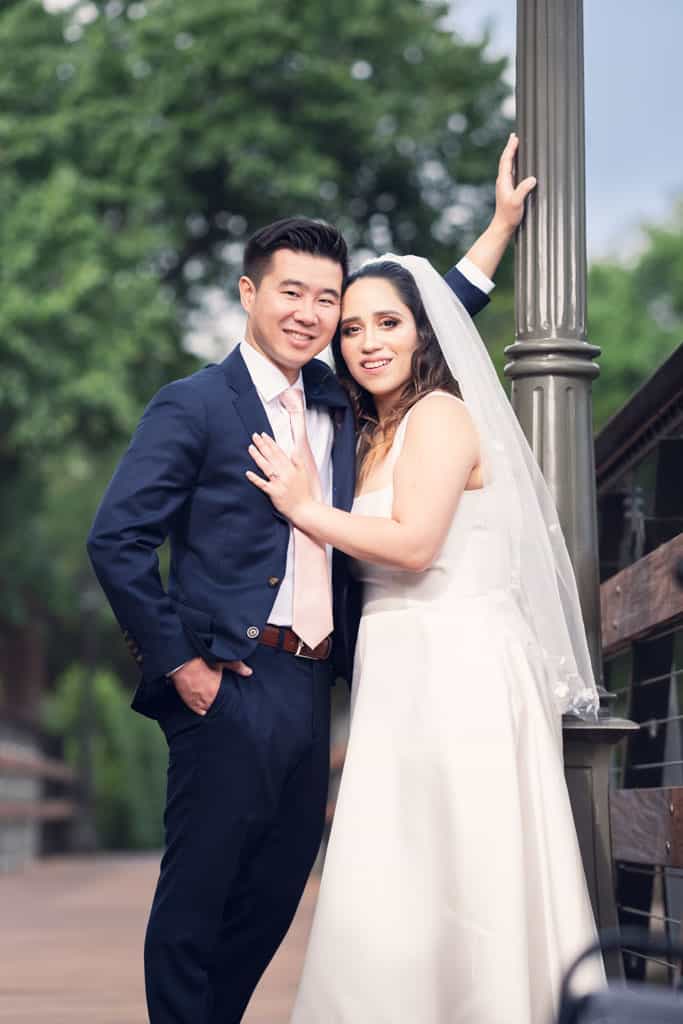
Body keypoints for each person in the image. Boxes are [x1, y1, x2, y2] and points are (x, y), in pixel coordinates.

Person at [86, 135, 532, 1023]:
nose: (312, 314)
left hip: (313, 682)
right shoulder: (194, 404)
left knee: (277, 888)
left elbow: (420, 321)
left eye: (327, 299)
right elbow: (116, 540)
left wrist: (496, 231)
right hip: (228, 677)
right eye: (291, 292)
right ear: (248, 293)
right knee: (199, 895)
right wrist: (180, 664)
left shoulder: (339, 397)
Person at [246, 254, 606, 1022]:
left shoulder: (439, 415)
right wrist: (495, 233)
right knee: (398, 867)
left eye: (388, 322)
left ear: (423, 332)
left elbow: (413, 544)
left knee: (465, 863)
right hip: (397, 669)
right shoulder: (369, 430)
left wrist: (305, 508)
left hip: (456, 663)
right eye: (350, 329)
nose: (368, 342)